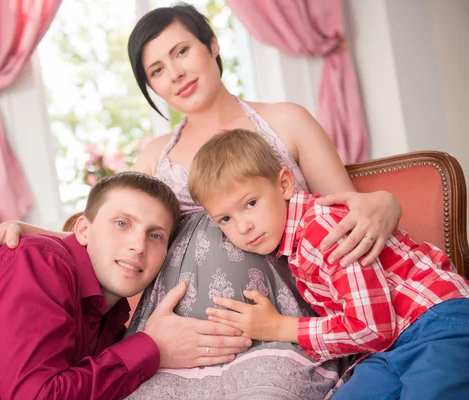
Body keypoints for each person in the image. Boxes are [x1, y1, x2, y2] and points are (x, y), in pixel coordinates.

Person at [0, 4, 403, 398]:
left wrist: (387, 202)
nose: (176, 74)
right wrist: (16, 230)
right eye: (157, 71)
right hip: (174, 335)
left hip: (274, 324)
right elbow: (110, 237)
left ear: (211, 44)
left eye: (182, 52)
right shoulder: (156, 155)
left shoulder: (286, 120)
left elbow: (345, 211)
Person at [0, 172, 251, 400]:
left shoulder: (109, 314)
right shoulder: (39, 261)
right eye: (122, 223)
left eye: (155, 235)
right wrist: (153, 347)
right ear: (83, 230)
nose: (137, 244)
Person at [189, 129, 469, 399]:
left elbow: (372, 327)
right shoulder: (294, 247)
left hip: (434, 321)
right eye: (225, 219)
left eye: (251, 203)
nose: (243, 226)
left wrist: (280, 328)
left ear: (284, 184)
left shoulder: (321, 229)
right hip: (384, 348)